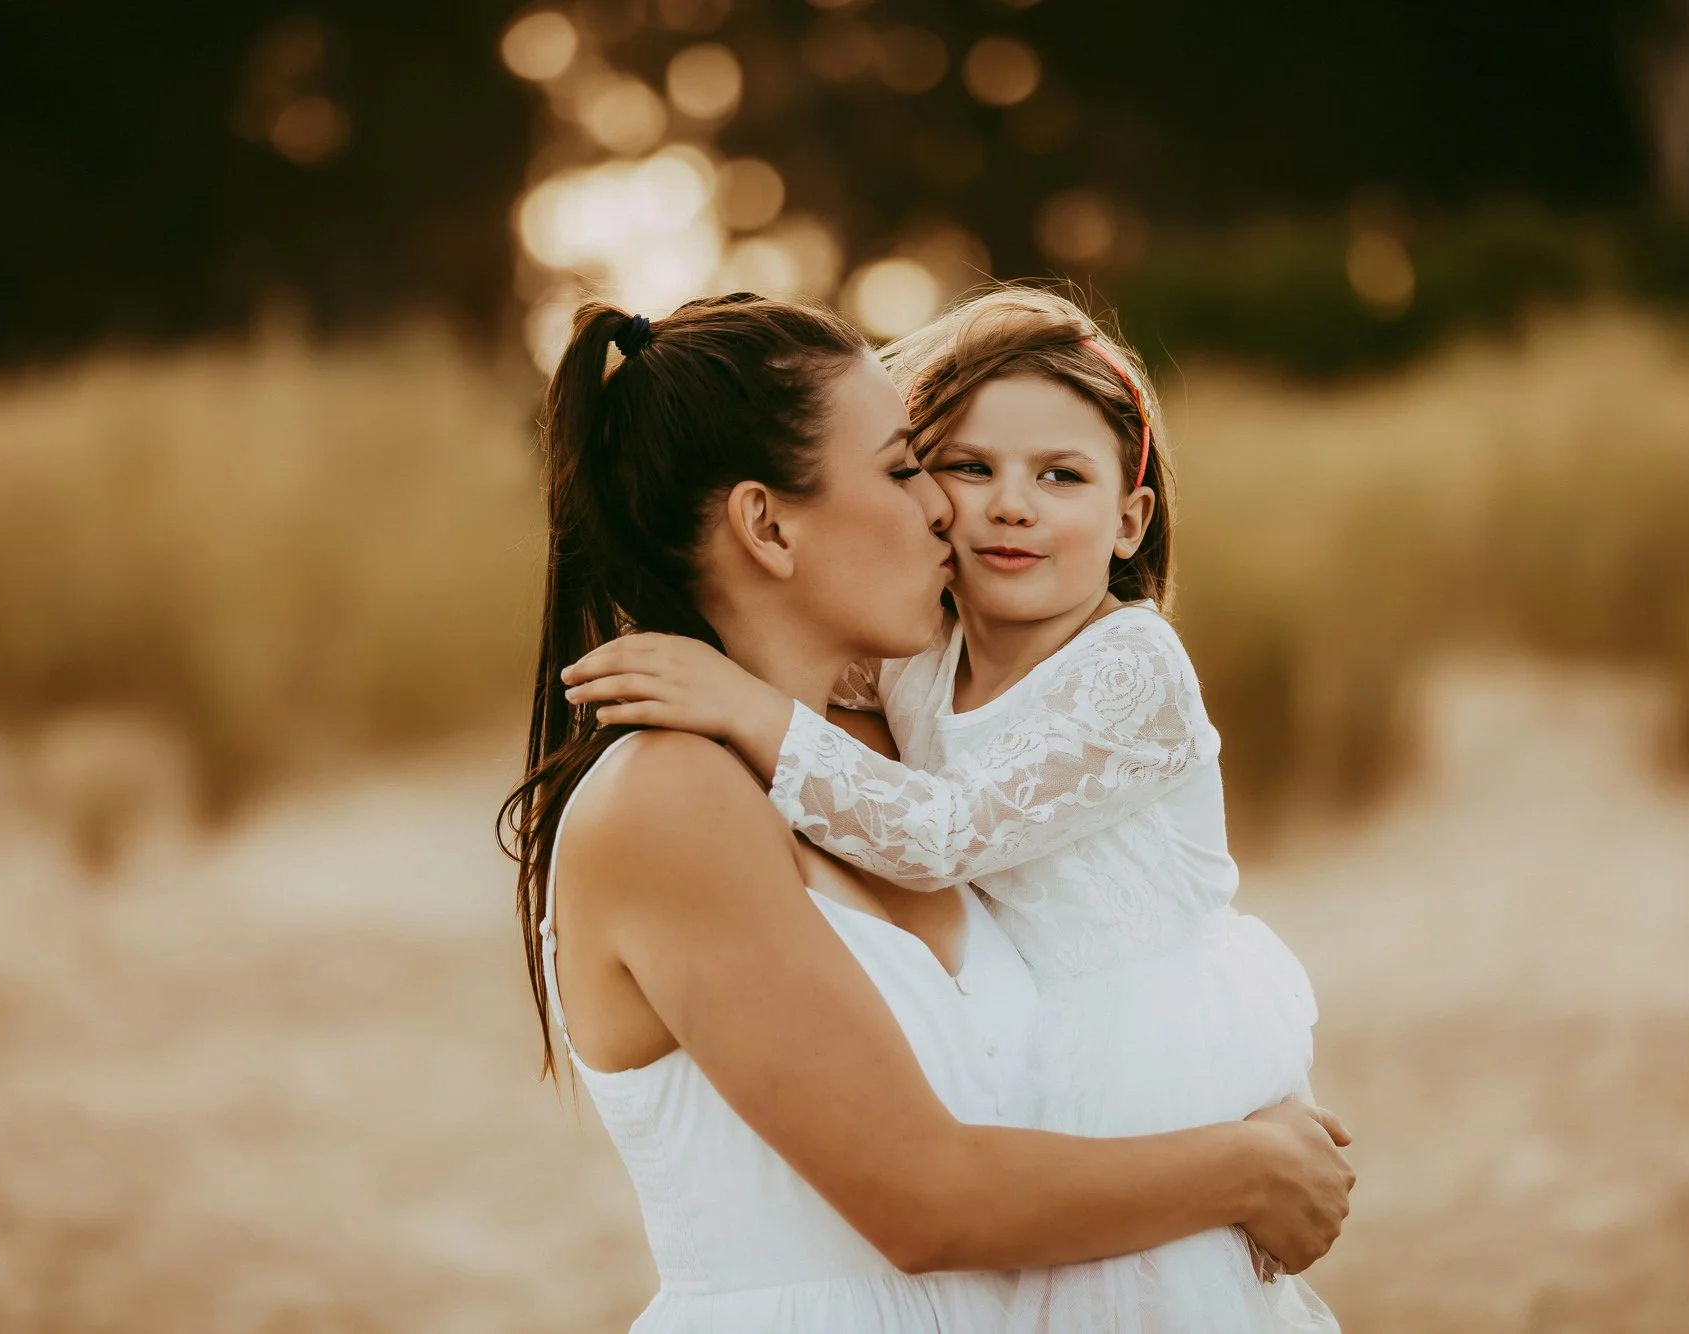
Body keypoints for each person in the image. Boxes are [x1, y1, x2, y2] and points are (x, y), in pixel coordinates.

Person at [509, 292, 1354, 1333]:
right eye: (913, 467)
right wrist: (1237, 1169)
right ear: (767, 524)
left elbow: (1073, 1005)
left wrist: (1243, 1096)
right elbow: (923, 1197)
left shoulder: (893, 750)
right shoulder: (668, 794)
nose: (949, 512)